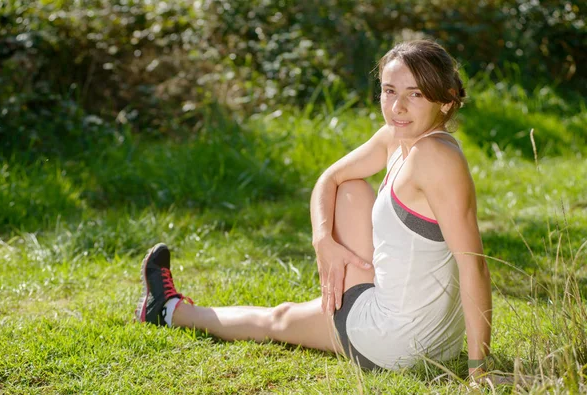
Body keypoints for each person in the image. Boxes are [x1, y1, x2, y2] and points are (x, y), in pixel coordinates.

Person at [135, 40, 494, 380]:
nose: (397, 107)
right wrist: (324, 241)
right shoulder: (400, 137)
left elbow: (472, 263)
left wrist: (480, 372)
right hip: (438, 347)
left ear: (446, 101)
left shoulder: (434, 157)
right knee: (348, 186)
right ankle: (169, 310)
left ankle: (167, 310)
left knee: (279, 318)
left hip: (392, 342)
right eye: (389, 91)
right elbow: (329, 178)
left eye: (414, 94)